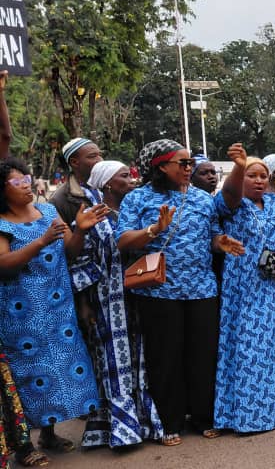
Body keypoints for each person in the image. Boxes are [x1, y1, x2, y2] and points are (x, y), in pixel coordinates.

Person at [116, 139, 245, 442]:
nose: (190, 168)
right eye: (183, 163)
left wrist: (221, 243)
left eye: (191, 163)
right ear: (161, 166)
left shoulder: (202, 199)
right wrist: (154, 230)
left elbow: (212, 236)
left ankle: (202, 417)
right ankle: (169, 422)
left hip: (201, 289)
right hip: (159, 291)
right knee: (166, 357)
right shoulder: (138, 199)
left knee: (202, 355)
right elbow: (123, 241)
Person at [2, 156, 105, 460]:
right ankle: (24, 446)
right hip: (20, 314)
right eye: (17, 181)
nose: (27, 185)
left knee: (57, 372)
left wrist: (82, 229)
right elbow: (3, 265)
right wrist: (41, 241)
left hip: (58, 309)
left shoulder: (48, 210)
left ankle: (48, 435)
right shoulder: (1, 222)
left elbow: (70, 250)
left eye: (27, 177)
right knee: (26, 376)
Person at [211, 146, 275, 431]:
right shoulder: (230, 204)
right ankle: (250, 414)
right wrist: (239, 166)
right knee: (250, 347)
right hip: (247, 285)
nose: (258, 180)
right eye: (251, 175)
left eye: (262, 176)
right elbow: (231, 193)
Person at [69, 160, 164, 449]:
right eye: (124, 175)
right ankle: (121, 432)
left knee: (140, 361)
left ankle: (144, 424)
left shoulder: (132, 211)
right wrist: (84, 305)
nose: (131, 178)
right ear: (108, 183)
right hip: (107, 302)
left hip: (138, 296)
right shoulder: (91, 216)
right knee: (113, 364)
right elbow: (78, 261)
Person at [50, 138, 104, 225]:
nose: (101, 160)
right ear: (74, 162)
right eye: (93, 156)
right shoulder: (59, 200)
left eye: (100, 155)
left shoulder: (108, 185)